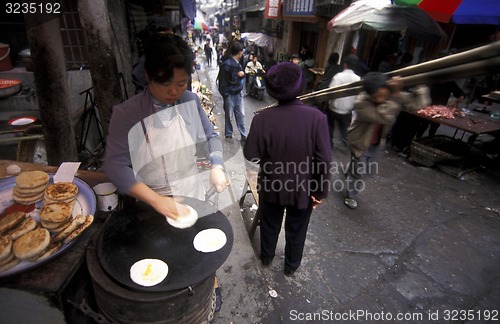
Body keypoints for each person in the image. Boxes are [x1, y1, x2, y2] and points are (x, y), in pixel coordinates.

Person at [105, 33, 228, 220]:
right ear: (148, 76)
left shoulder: (191, 101)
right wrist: (156, 200)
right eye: (165, 83)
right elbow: (115, 165)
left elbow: (211, 137)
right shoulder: (127, 114)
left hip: (192, 194)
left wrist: (216, 166)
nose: (174, 91)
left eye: (181, 83)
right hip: (149, 206)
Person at [243, 62, 332, 276]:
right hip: (303, 189)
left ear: (272, 90)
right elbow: (324, 160)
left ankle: (266, 257)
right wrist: (319, 192)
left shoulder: (261, 118)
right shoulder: (317, 118)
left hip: (271, 185)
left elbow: (250, 154)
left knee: (269, 224)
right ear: (300, 86)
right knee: (297, 229)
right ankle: (291, 266)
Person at [344, 72, 430, 209]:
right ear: (368, 94)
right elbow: (383, 116)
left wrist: (417, 85)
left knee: (369, 170)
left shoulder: (391, 96)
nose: (380, 99)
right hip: (360, 142)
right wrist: (395, 97)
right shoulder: (361, 102)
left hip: (377, 142)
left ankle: (350, 171)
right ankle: (350, 195)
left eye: (383, 95)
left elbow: (418, 105)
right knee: (359, 172)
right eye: (376, 97)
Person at [132, 16, 176, 94]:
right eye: (161, 39)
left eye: (170, 38)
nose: (166, 43)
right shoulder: (144, 65)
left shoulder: (173, 60)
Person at [327, 54, 361, 151]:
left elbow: (331, 93)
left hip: (334, 108)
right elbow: (358, 96)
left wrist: (331, 104)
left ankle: (329, 144)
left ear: (345, 64)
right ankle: (347, 143)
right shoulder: (357, 79)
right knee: (345, 128)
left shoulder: (338, 77)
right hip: (347, 110)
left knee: (330, 126)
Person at [218, 41, 247, 140]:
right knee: (229, 116)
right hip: (230, 94)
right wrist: (226, 95)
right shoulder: (226, 65)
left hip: (238, 94)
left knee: (240, 115)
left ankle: (243, 134)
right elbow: (222, 83)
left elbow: (241, 76)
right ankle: (228, 133)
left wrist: (243, 75)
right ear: (239, 52)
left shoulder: (238, 63)